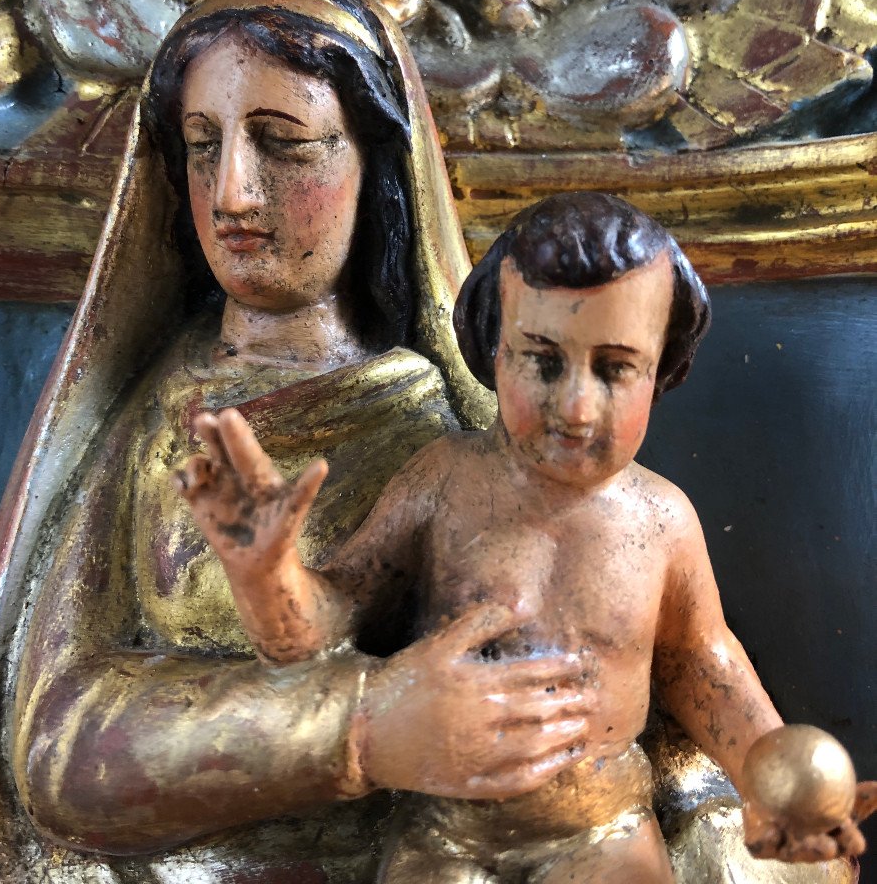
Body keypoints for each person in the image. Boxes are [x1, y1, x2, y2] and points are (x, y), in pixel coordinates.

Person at [0, 0, 854, 884]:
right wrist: (357, 713)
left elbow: (678, 678)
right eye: (202, 147)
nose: (232, 192)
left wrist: (774, 791)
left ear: (375, 163)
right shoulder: (160, 431)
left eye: (284, 144)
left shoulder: (477, 443)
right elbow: (53, 748)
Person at [178, 192, 870, 883]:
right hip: (449, 838)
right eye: (542, 360)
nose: (576, 407)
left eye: (614, 367)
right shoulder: (443, 482)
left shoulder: (661, 520)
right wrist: (266, 572)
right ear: (492, 349)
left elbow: (703, 665)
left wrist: (776, 785)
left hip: (601, 830)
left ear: (663, 369)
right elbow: (325, 634)